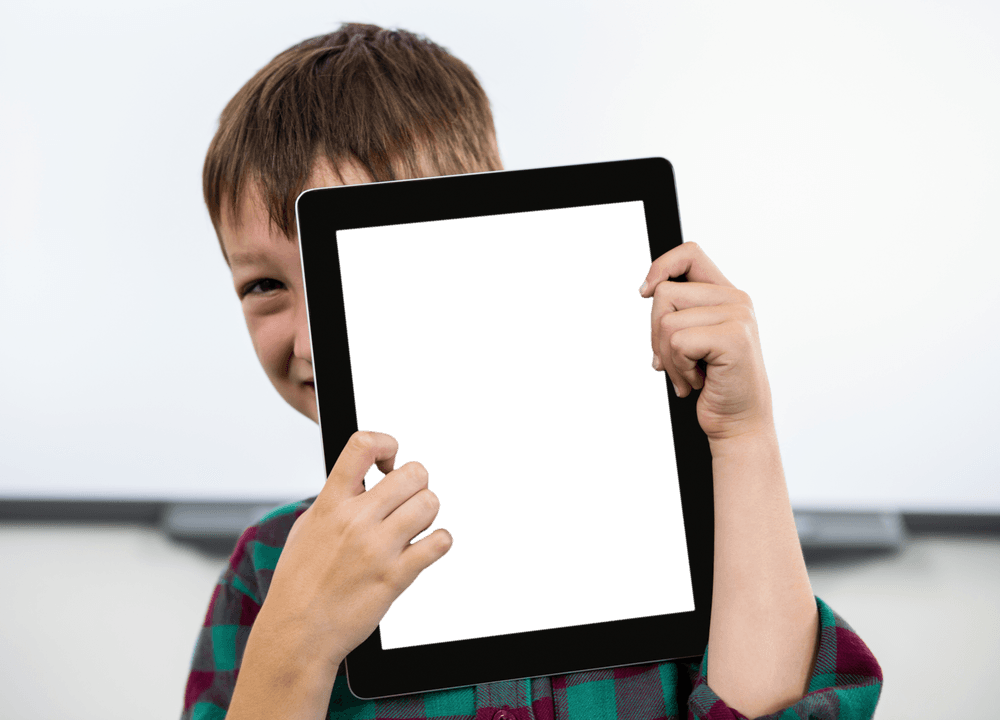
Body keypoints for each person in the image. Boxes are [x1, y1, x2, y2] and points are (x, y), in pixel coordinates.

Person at [183, 22, 882, 720]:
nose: (310, 342)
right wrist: (296, 643)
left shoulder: (685, 534)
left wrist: (744, 436)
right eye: (263, 285)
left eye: (347, 269)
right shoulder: (267, 573)